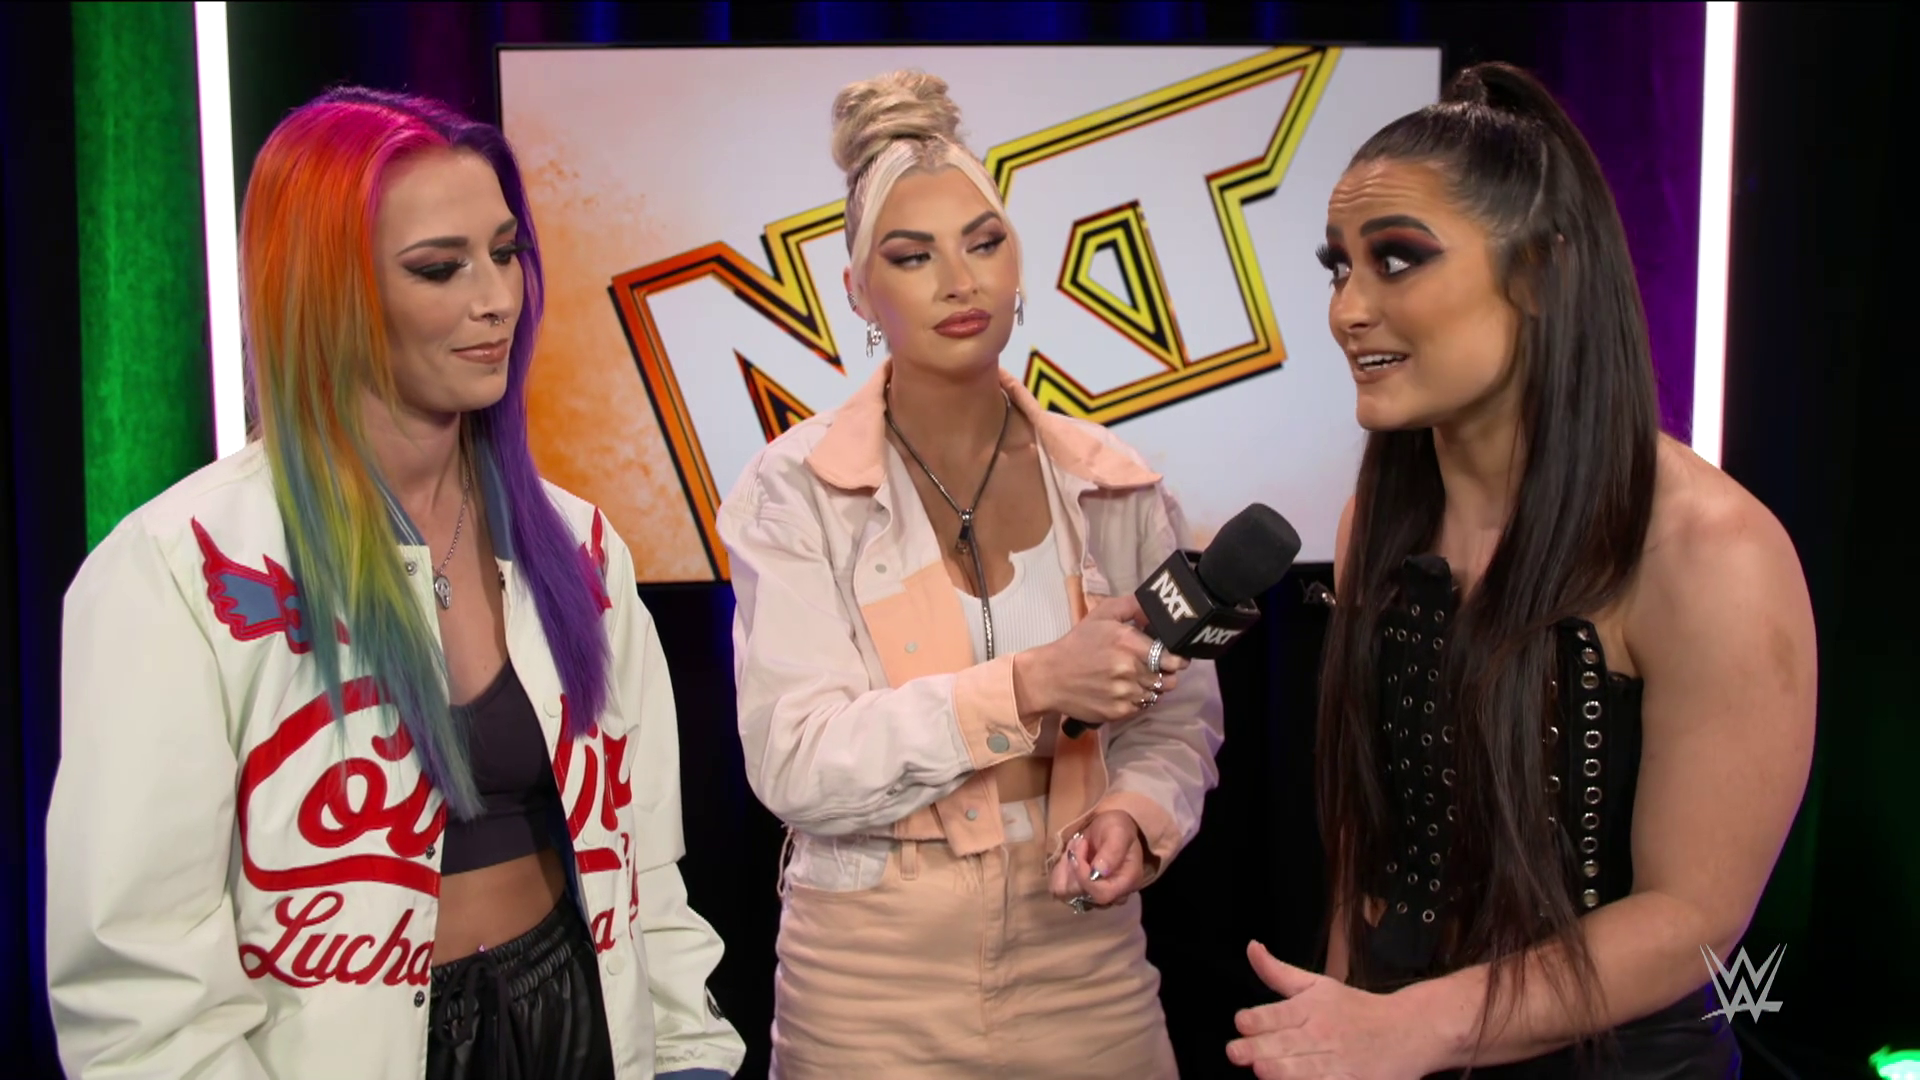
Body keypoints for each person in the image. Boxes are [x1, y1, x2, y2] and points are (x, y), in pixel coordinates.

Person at [46, 87, 744, 1080]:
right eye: (439, 267)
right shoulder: (175, 570)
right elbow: (141, 983)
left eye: (505, 252)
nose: (497, 298)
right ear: (325, 291)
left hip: (579, 1021)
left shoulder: (580, 547)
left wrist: (686, 1057)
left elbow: (646, 871)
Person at [1225, 62, 1817, 1078]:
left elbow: (1697, 916)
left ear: (1540, 274)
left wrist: (1418, 1027)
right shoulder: (1380, 522)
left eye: (1397, 260)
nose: (1348, 310)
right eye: (1339, 268)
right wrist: (1349, 1022)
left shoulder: (1711, 551)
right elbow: (1370, 850)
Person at [717, 70, 1226, 1078]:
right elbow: (795, 762)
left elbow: (1177, 720)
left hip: (1082, 956)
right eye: (914, 256)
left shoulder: (1113, 484)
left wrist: (1136, 816)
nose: (961, 281)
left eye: (984, 243)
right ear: (858, 291)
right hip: (868, 973)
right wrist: (1029, 685)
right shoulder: (795, 488)